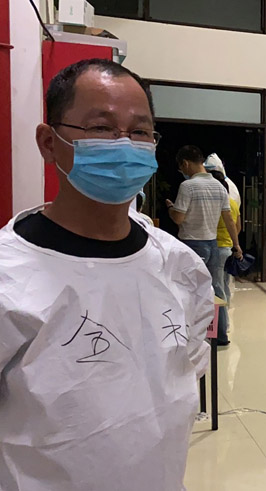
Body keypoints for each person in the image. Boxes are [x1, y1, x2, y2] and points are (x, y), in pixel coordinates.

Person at [0, 58, 212, 490]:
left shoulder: (179, 265)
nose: (125, 145)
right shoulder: (10, 275)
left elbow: (183, 377)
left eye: (140, 132)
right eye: (101, 128)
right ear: (49, 142)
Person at [167, 145, 242, 346]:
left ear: (185, 163)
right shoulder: (219, 186)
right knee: (216, 290)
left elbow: (179, 218)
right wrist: (236, 244)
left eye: (181, 167)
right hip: (213, 244)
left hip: (192, 244)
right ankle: (220, 335)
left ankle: (194, 337)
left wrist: (171, 209)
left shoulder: (188, 186)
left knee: (190, 292)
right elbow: (229, 219)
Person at [210, 169, 241, 339]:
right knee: (225, 285)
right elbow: (238, 227)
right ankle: (226, 320)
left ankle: (222, 326)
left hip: (217, 246)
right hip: (228, 247)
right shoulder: (233, 203)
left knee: (217, 287)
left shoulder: (216, 203)